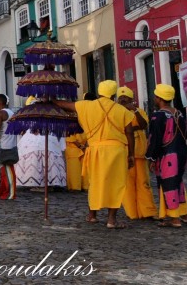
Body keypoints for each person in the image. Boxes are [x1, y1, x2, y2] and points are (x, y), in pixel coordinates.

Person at [56, 80, 136, 229]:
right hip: (117, 151)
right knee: (116, 184)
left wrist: (49, 100)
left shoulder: (87, 105)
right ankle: (111, 220)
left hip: (95, 150)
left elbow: (65, 105)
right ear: (113, 94)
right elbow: (130, 133)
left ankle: (92, 216)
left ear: (99, 93)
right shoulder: (122, 110)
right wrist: (131, 154)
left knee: (95, 182)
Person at [145, 84, 187, 228]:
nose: (154, 99)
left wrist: (151, 158)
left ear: (159, 98)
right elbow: (186, 134)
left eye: (155, 97)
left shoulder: (157, 116)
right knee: (178, 182)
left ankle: (174, 219)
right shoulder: (179, 113)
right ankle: (184, 214)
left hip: (168, 154)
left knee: (168, 184)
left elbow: (155, 139)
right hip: (181, 152)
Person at [116, 87, 155, 220]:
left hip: (140, 153)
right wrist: (133, 128)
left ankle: (147, 211)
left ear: (131, 99)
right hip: (124, 153)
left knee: (143, 183)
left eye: (125, 98)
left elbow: (143, 125)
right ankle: (132, 212)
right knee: (128, 184)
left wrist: (135, 110)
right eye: (120, 98)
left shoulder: (139, 111)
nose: (122, 100)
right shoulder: (116, 112)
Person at [0, 94, 17, 200]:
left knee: (8, 169)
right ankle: (2, 190)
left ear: (0, 103)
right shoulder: (11, 112)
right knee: (4, 170)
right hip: (11, 143)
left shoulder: (1, 113)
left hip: (5, 145)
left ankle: (11, 193)